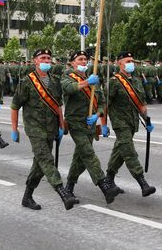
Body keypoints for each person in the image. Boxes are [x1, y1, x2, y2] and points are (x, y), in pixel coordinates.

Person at [10, 49, 77, 211]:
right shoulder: (27, 82)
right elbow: (15, 106)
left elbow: (58, 105)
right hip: (35, 129)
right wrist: (14, 129)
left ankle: (27, 196)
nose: (46, 60)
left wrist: (61, 125)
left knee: (39, 164)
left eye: (48, 58)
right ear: (35, 61)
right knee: (47, 160)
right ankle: (63, 192)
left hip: (51, 128)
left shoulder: (54, 81)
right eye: (43, 58)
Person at [61, 50, 119, 206]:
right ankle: (104, 185)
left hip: (90, 124)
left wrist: (98, 114)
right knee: (88, 153)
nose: (83, 62)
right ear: (72, 63)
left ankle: (69, 187)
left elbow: (102, 102)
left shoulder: (94, 80)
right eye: (80, 59)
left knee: (80, 158)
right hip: (75, 123)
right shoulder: (67, 76)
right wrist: (87, 83)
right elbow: (69, 89)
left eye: (85, 59)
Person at [106, 51, 156, 201]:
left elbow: (141, 104)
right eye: (127, 61)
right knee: (129, 152)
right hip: (120, 123)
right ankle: (143, 184)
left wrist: (147, 121)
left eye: (132, 60)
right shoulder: (114, 82)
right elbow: (105, 104)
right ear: (119, 63)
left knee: (120, 152)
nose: (130, 63)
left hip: (132, 122)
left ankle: (108, 179)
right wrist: (102, 124)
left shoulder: (136, 81)